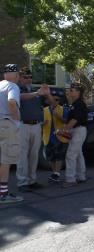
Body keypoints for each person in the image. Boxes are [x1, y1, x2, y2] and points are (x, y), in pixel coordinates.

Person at [16, 67, 53, 192]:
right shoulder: (15, 89)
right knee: (22, 155)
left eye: (30, 77)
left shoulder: (35, 91)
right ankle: (22, 182)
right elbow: (21, 98)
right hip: (22, 125)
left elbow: (52, 103)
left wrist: (47, 93)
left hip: (36, 125)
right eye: (25, 77)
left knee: (33, 155)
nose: (29, 79)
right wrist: (38, 93)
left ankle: (32, 180)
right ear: (19, 78)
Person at [0, 64, 23, 203]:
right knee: (6, 160)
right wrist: (17, 120)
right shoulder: (12, 86)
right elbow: (12, 102)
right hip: (6, 125)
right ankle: (3, 195)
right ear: (16, 75)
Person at [62, 84, 88, 188]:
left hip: (79, 130)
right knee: (78, 154)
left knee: (71, 154)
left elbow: (75, 119)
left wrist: (65, 129)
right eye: (70, 90)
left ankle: (70, 179)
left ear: (78, 92)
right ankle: (81, 176)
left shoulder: (79, 104)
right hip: (77, 130)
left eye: (72, 90)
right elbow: (71, 119)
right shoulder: (75, 104)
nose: (70, 92)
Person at [42, 96, 69, 184]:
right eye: (54, 99)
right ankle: (54, 174)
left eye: (57, 100)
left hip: (59, 136)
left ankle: (57, 174)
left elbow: (67, 121)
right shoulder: (44, 110)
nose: (56, 101)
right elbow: (39, 122)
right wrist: (42, 123)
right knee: (50, 156)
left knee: (59, 155)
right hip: (47, 136)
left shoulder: (63, 109)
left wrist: (58, 117)